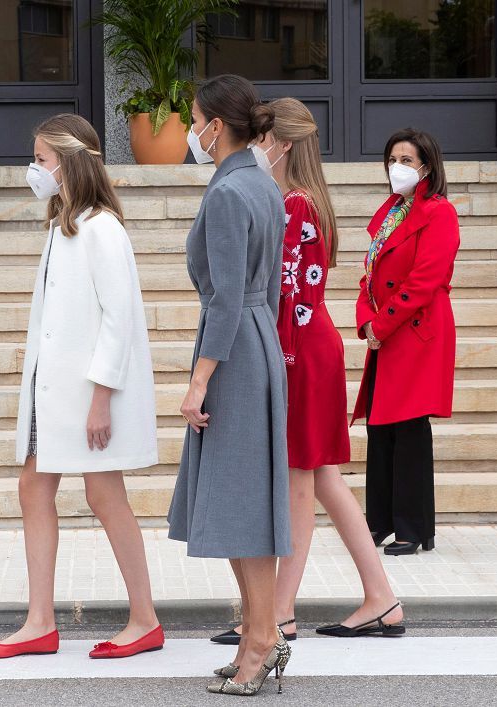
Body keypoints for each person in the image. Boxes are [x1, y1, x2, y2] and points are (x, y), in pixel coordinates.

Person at [208, 98, 404, 652]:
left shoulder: (295, 203)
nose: (253, 148)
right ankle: (380, 595)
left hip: (299, 350)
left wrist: (277, 362)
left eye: (261, 138)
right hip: (308, 344)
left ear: (282, 144)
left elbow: (289, 294)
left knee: (301, 477)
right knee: (320, 476)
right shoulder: (304, 200)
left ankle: (281, 612)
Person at [0, 114, 162, 660]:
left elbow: (119, 318)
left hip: (88, 396)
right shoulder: (64, 225)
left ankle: (145, 618)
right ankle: (38, 622)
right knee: (33, 487)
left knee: (105, 494)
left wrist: (101, 397)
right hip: (53, 394)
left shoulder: (102, 227)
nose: (35, 169)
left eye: (42, 159)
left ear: (71, 162)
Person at [166, 74, 291, 697]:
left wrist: (198, 382)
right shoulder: (262, 184)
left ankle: (263, 639)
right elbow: (257, 294)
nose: (191, 130)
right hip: (259, 343)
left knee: (241, 506)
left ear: (217, 126)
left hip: (234, 351)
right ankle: (256, 635)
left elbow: (224, 300)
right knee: (246, 505)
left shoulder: (228, 194)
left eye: (194, 119)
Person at [353, 128, 459, 556]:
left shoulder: (440, 212)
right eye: (392, 159)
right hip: (387, 332)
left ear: (427, 167)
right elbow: (369, 275)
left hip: (417, 333)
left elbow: (424, 281)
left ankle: (414, 528)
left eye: (406, 160)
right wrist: (366, 321)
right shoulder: (392, 212)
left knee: (410, 429)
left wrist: (383, 323)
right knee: (381, 428)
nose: (397, 167)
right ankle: (378, 522)